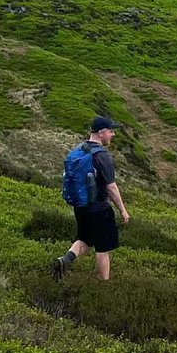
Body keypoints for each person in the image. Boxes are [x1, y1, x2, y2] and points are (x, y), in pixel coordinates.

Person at [52, 116, 130, 282]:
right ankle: (103, 284)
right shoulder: (102, 155)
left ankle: (65, 260)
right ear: (101, 133)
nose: (113, 134)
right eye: (110, 131)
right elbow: (111, 187)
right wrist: (123, 210)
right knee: (103, 248)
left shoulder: (80, 150)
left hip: (81, 206)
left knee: (84, 240)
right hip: (100, 208)